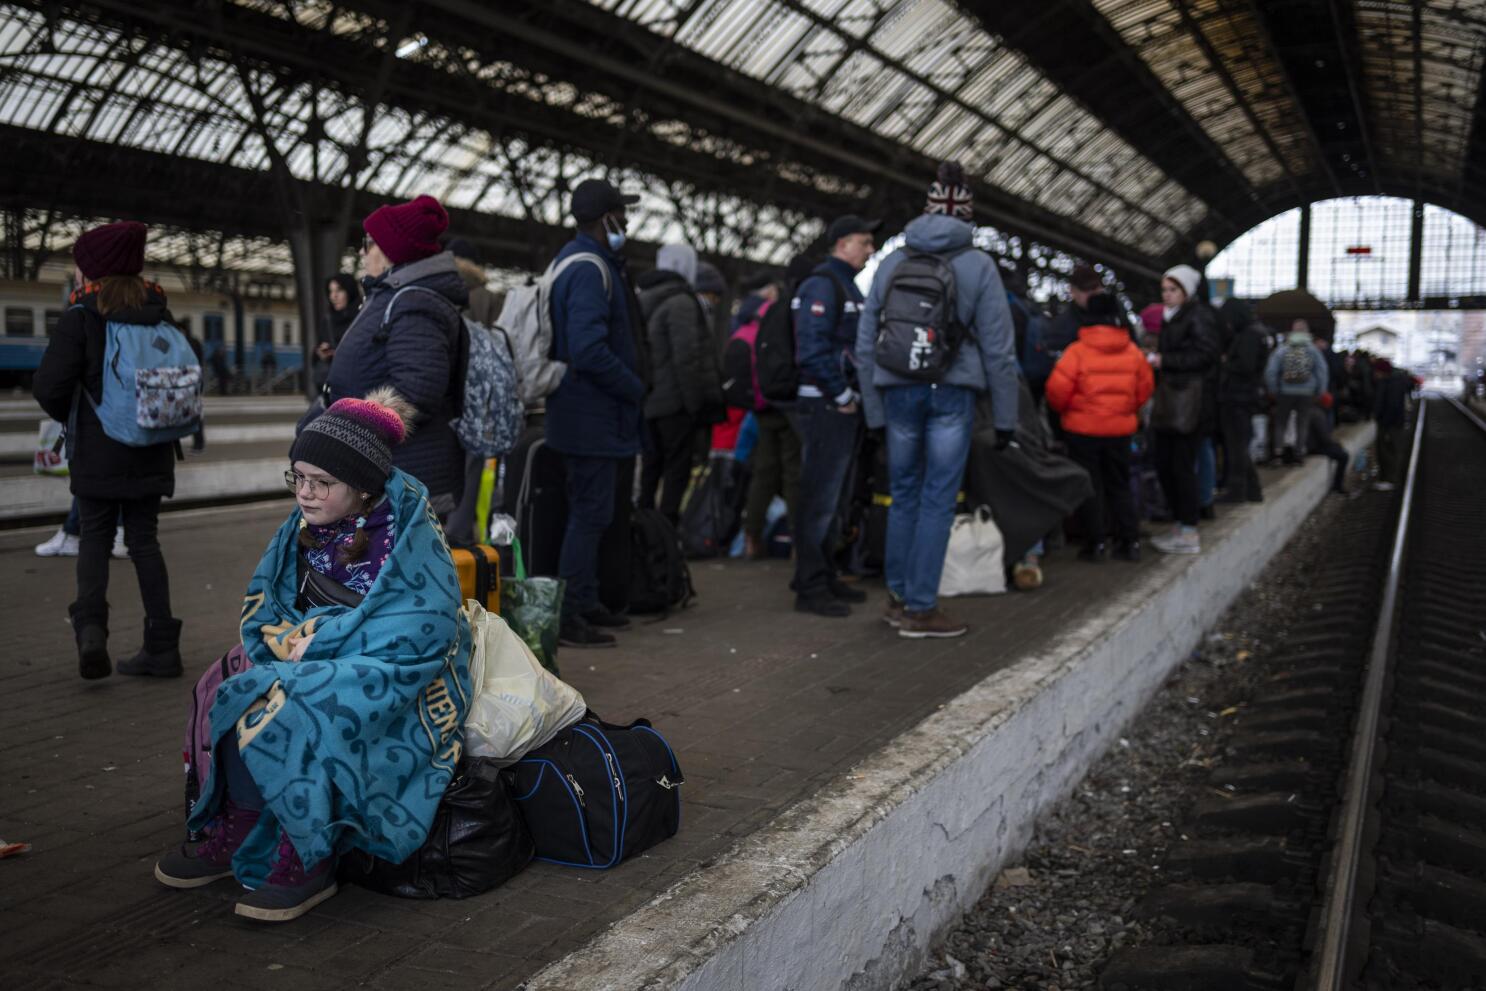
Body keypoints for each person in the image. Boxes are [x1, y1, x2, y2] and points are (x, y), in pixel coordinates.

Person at [153, 388, 471, 923]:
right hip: (319, 650)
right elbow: (268, 603)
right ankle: (241, 825)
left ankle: (309, 854)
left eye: (321, 482)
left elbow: (424, 629)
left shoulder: (410, 533)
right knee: (231, 676)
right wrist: (295, 642)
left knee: (301, 699)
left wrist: (320, 640)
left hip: (398, 669)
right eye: (296, 477)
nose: (304, 492)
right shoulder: (305, 527)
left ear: (365, 487)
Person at [856, 161, 1019, 637]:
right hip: (951, 392)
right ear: (968, 216)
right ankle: (922, 610)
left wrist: (872, 407)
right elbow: (999, 348)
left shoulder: (891, 261)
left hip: (898, 389)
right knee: (937, 499)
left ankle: (898, 597)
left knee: (902, 494)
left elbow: (866, 339)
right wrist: (1006, 419)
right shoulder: (979, 265)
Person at [32, 221, 184, 680]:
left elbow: (48, 386)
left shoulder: (82, 315)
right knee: (144, 541)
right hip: (152, 447)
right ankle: (161, 648)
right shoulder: (159, 312)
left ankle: (92, 634)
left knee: (95, 538)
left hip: (99, 451)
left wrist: (79, 412)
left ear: (93, 269)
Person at [304, 194, 467, 518]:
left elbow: (415, 391)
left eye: (368, 243)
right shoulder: (393, 297)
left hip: (405, 477)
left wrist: (341, 430)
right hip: (387, 471)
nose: (362, 252)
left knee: (392, 568)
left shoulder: (415, 304)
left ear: (392, 250)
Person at [546, 177, 647, 647]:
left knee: (594, 512)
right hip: (592, 416)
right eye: (621, 213)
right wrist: (633, 386)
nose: (626, 221)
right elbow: (587, 349)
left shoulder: (576, 262)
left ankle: (585, 602)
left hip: (585, 415)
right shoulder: (589, 269)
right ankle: (569, 616)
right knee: (588, 514)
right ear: (607, 217)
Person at [790, 214, 878, 616]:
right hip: (827, 405)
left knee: (836, 497)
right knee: (820, 498)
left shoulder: (844, 284)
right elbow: (811, 347)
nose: (870, 248)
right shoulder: (823, 285)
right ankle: (810, 586)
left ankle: (824, 575)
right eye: (864, 241)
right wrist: (841, 392)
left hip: (840, 406)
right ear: (842, 244)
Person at [1045, 292, 1154, 562]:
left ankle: (1095, 544)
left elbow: (1056, 391)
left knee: (1090, 486)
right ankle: (1128, 542)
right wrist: (1126, 410)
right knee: (1120, 484)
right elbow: (1145, 389)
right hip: (1120, 429)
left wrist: (1069, 412)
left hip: (1082, 430)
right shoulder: (1133, 353)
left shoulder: (1076, 352)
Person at [637, 243, 724, 523]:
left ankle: (644, 530)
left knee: (650, 470)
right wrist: (694, 404)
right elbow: (686, 357)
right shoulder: (681, 302)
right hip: (675, 404)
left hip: (648, 401)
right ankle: (666, 533)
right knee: (676, 471)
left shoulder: (644, 298)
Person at [1149, 264, 1219, 556]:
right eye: (1164, 289)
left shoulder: (1197, 317)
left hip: (1189, 404)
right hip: (1173, 400)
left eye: (1173, 289)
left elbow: (1205, 354)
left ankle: (1188, 530)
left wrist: (1165, 361)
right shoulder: (1173, 317)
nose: (1167, 295)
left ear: (1186, 291)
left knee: (1181, 466)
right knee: (1168, 464)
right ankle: (1181, 525)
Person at [443, 238, 505, 546]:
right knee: (476, 475)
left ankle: (449, 537)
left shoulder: (439, 294)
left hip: (445, 399)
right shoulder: (490, 300)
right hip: (481, 401)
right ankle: (467, 538)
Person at [1216, 298, 1267, 503]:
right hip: (1242, 397)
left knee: (1237, 446)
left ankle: (1239, 490)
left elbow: (1246, 366)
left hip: (1239, 397)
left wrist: (1225, 364)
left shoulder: (1249, 336)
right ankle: (1252, 490)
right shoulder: (1254, 333)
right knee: (1239, 446)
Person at [1264, 320, 1328, 463]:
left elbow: (1271, 370)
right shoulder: (1312, 349)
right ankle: (1299, 452)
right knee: (1302, 422)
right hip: (1307, 392)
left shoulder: (1283, 348)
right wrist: (1320, 391)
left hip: (1285, 391)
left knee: (1281, 422)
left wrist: (1273, 389)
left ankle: (1278, 453)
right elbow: (1322, 371)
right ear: (1307, 332)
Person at [314, 273, 362, 392]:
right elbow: (315, 353)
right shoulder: (328, 320)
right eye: (330, 291)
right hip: (332, 386)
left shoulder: (362, 318)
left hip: (358, 385)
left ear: (349, 292)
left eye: (339, 290)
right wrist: (320, 353)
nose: (333, 296)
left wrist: (342, 354)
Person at [1371, 358, 1411, 491]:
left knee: (1387, 451)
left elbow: (1391, 405)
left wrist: (1386, 424)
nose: (1374, 374)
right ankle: (1388, 478)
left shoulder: (1390, 383)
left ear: (1382, 371)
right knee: (1389, 450)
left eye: (1376, 371)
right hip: (1391, 422)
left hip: (1389, 423)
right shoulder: (1393, 381)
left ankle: (1389, 479)